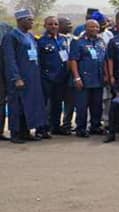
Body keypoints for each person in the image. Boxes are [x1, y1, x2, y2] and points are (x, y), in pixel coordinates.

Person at [3, 10, 47, 142]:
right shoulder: (11, 36)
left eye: (32, 19)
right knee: (17, 106)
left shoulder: (30, 36)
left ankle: (25, 131)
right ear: (20, 21)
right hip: (19, 77)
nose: (32, 22)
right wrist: (16, 77)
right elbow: (9, 59)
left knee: (29, 105)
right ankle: (15, 133)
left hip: (32, 77)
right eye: (29, 19)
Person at [69, 19, 108, 137]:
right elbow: (73, 60)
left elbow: (104, 59)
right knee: (82, 106)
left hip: (98, 78)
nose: (95, 29)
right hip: (84, 79)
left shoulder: (101, 41)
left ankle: (95, 126)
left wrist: (106, 75)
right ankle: (81, 128)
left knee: (97, 105)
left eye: (96, 27)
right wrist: (77, 78)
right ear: (85, 28)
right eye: (91, 27)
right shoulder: (78, 42)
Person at [37, 15, 71, 135]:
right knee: (44, 104)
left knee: (57, 104)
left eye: (56, 24)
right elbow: (38, 61)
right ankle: (42, 129)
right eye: (50, 24)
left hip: (61, 77)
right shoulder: (40, 41)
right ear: (45, 26)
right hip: (47, 77)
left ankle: (55, 126)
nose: (53, 26)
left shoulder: (63, 39)